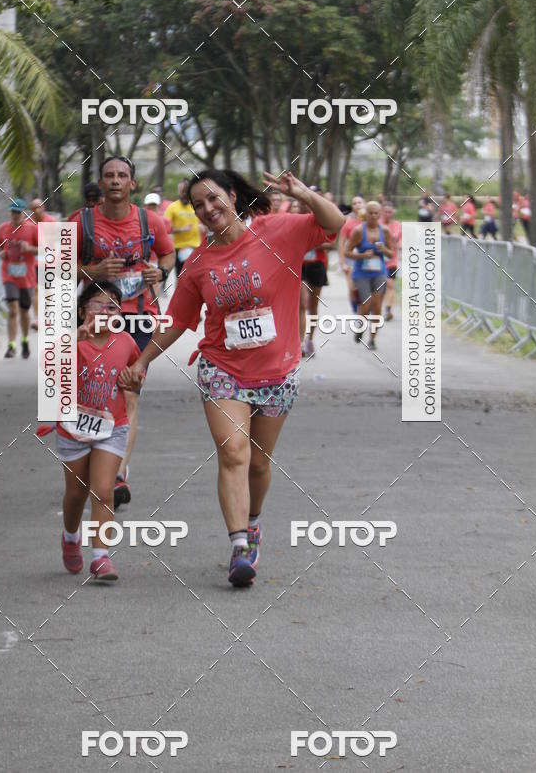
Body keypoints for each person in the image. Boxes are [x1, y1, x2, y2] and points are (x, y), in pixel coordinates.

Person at [119, 169, 344, 587]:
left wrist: (305, 194)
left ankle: (253, 522)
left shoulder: (278, 232)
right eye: (198, 205)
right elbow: (180, 321)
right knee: (234, 452)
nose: (208, 209)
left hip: (278, 371)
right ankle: (239, 545)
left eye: (213, 199)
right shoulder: (200, 263)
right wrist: (141, 360)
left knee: (259, 463)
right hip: (223, 368)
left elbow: (334, 224)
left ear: (234, 197)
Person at [77, 156, 175, 509]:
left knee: (128, 394)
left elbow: (167, 255)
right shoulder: (82, 222)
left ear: (133, 183)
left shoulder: (153, 221)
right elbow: (57, 267)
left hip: (137, 318)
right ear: (100, 183)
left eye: (122, 175)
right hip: (94, 322)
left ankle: (117, 471)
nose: (116, 180)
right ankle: (92, 459)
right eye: (109, 176)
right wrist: (94, 269)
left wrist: (159, 274)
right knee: (94, 392)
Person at [57, 281, 142, 582]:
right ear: (82, 311)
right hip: (73, 429)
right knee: (76, 493)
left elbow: (136, 376)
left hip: (112, 426)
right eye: (97, 305)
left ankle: (101, 557)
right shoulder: (71, 342)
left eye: (112, 306)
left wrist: (133, 380)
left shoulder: (125, 342)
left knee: (103, 491)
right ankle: (70, 536)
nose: (105, 312)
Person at [345, 200, 393, 348]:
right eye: (370, 213)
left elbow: (391, 254)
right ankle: (360, 327)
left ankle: (372, 339)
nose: (373, 216)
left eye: (376, 213)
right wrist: (362, 256)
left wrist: (384, 250)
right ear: (366, 214)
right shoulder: (359, 231)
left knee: (377, 305)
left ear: (380, 214)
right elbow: (347, 251)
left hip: (379, 272)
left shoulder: (385, 231)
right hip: (361, 273)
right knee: (365, 304)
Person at [0, 198, 38, 359]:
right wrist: (1, 253)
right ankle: (11, 345)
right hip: (9, 275)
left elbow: (44, 248)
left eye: (18, 212)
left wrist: (30, 248)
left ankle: (25, 341)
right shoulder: (3, 228)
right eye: (13, 212)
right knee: (13, 309)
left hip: (27, 276)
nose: (15, 215)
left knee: (24, 311)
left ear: (24, 213)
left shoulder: (32, 229)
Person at [299, 194, 333, 356]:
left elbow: (331, 243)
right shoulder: (295, 220)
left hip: (317, 266)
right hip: (300, 267)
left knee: (313, 307)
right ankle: (299, 343)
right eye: (303, 202)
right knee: (302, 304)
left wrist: (313, 242)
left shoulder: (322, 219)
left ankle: (309, 340)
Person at [164, 180, 202, 276]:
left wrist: (203, 226)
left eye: (185, 191)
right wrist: (181, 229)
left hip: (197, 247)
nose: (183, 194)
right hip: (180, 248)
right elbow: (164, 228)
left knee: (196, 276)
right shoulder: (172, 207)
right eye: (181, 191)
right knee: (183, 277)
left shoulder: (196, 206)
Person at [30, 198, 57, 330]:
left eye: (38, 207)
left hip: (49, 260)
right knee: (35, 289)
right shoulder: (28, 223)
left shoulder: (52, 222)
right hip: (33, 261)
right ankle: (37, 318)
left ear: (43, 208)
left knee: (47, 290)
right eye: (33, 208)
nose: (36, 210)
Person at [338, 195, 365, 314]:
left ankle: (364, 309)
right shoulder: (348, 222)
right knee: (352, 287)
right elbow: (341, 244)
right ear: (352, 206)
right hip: (351, 259)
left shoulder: (370, 221)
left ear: (364, 204)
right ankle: (356, 310)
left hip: (366, 259)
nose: (357, 205)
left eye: (360, 202)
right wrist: (342, 263)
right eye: (354, 203)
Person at [380, 202, 401, 321]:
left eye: (390, 211)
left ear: (393, 212)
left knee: (390, 284)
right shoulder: (378, 224)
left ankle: (388, 310)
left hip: (392, 260)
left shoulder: (397, 225)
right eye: (386, 211)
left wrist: (401, 244)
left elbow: (399, 240)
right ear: (382, 212)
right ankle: (376, 307)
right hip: (378, 261)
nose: (388, 214)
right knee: (380, 287)